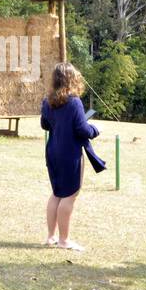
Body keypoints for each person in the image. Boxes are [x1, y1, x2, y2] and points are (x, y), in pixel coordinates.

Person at [40, 62, 101, 251]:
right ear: (71, 79)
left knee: (57, 194)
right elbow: (82, 129)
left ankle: (51, 237)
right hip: (70, 153)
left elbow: (45, 125)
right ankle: (64, 241)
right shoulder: (74, 101)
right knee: (69, 195)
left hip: (53, 152)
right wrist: (96, 130)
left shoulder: (47, 101)